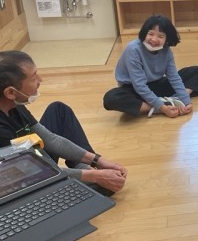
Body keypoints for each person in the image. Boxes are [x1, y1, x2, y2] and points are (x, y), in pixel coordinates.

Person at [0, 51, 127, 196]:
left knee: (59, 110)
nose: (40, 80)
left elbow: (50, 139)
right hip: (19, 179)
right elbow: (30, 173)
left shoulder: (13, 105)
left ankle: (84, 169)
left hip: (29, 158)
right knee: (102, 185)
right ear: (10, 93)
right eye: (34, 77)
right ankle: (87, 180)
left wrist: (98, 161)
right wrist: (94, 176)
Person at [103, 14, 198, 117]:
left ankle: (174, 100)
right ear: (144, 33)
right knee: (111, 98)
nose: (154, 39)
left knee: (196, 71)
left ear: (167, 39)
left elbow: (173, 77)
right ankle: (158, 106)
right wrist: (162, 108)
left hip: (156, 84)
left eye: (161, 36)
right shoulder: (133, 49)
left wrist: (187, 102)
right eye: (150, 34)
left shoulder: (166, 50)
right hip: (133, 88)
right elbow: (139, 85)